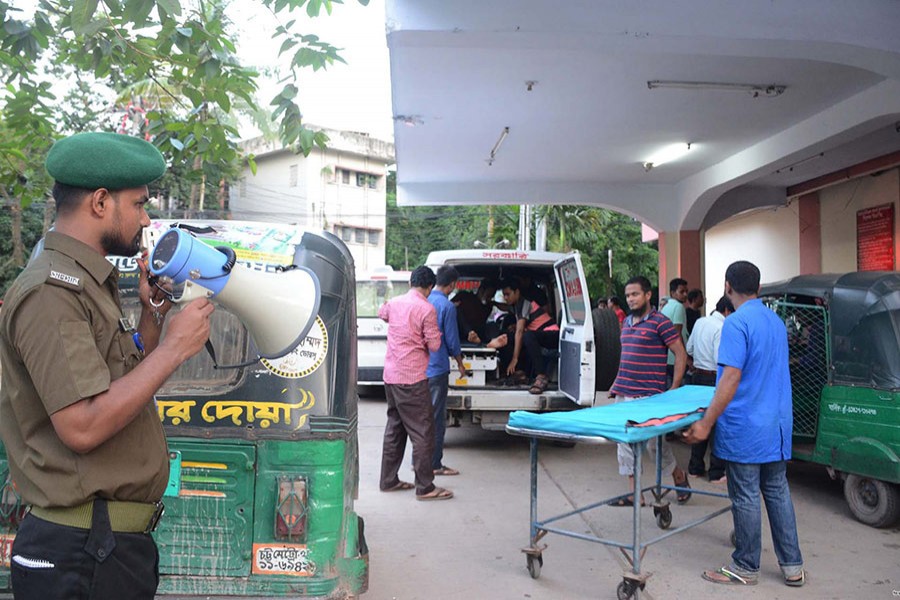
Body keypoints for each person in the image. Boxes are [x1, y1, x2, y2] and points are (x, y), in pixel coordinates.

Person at [0, 132, 215, 600]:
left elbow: (115, 384)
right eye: (138, 204)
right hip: (79, 553)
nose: (145, 218)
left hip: (101, 549)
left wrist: (153, 321)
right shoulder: (51, 292)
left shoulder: (85, 282)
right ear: (100, 202)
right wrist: (173, 351)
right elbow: (82, 424)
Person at [683, 261, 805, 587]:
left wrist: (707, 422)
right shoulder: (776, 322)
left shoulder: (736, 324)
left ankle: (746, 566)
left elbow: (731, 378)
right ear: (759, 289)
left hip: (746, 426)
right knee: (777, 492)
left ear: (727, 287)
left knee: (746, 495)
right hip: (777, 423)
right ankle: (793, 566)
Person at [609, 276, 691, 506]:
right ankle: (635, 493)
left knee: (655, 444)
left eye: (635, 294)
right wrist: (616, 383)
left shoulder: (660, 322)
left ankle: (678, 475)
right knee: (624, 441)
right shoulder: (626, 322)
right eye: (627, 295)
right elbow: (627, 357)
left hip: (649, 394)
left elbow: (681, 354)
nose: (630, 299)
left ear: (647, 295)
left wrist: (673, 388)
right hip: (625, 392)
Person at [378, 266, 454, 501]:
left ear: (411, 282)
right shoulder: (426, 308)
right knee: (423, 432)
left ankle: (388, 480)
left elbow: (382, 313)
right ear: (430, 287)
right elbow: (434, 345)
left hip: (391, 377)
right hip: (412, 379)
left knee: (395, 428)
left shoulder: (395, 303)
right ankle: (425, 487)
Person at [685, 295, 734, 483]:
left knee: (699, 420)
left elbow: (689, 348)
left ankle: (694, 468)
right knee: (716, 426)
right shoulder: (723, 328)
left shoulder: (700, 322)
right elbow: (719, 359)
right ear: (728, 311)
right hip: (714, 378)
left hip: (697, 376)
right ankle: (716, 472)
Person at [427, 266, 467, 477]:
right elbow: (452, 341)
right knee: (437, 418)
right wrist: (460, 363)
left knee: (422, 418)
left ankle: (420, 462)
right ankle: (434, 464)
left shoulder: (423, 301)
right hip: (438, 368)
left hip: (419, 369)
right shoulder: (447, 306)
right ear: (451, 285)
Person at [501, 278, 560, 394]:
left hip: (552, 334)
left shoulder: (525, 303)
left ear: (517, 292)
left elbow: (520, 332)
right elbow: (505, 309)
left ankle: (541, 376)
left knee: (526, 336)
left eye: (508, 294)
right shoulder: (516, 305)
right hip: (540, 334)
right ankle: (520, 373)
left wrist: (514, 359)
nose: (506, 298)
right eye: (504, 295)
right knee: (509, 336)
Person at [453, 278, 499, 344]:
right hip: (460, 332)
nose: (489, 299)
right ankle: (470, 334)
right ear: (481, 290)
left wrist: (494, 303)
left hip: (478, 334)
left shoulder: (488, 306)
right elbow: (449, 307)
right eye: (488, 295)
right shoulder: (464, 296)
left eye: (491, 296)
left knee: (492, 325)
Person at [661, 277, 688, 387]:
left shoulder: (666, 307)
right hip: (676, 358)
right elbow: (677, 332)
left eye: (686, 291)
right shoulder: (679, 307)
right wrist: (684, 356)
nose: (685, 294)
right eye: (682, 292)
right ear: (673, 293)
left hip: (667, 357)